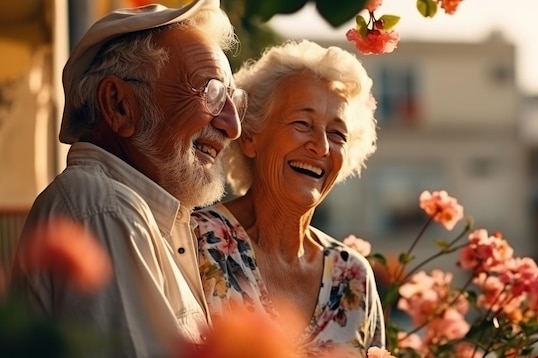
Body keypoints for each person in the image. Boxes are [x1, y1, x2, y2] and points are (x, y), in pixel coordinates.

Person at [9, 0, 246, 356]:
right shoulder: (105, 207)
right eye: (210, 92)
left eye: (232, 98)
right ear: (119, 105)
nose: (233, 126)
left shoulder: (137, 211)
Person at [192, 39, 384, 357]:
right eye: (302, 124)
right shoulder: (197, 242)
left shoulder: (353, 276)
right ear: (251, 136)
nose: (321, 147)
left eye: (337, 134)